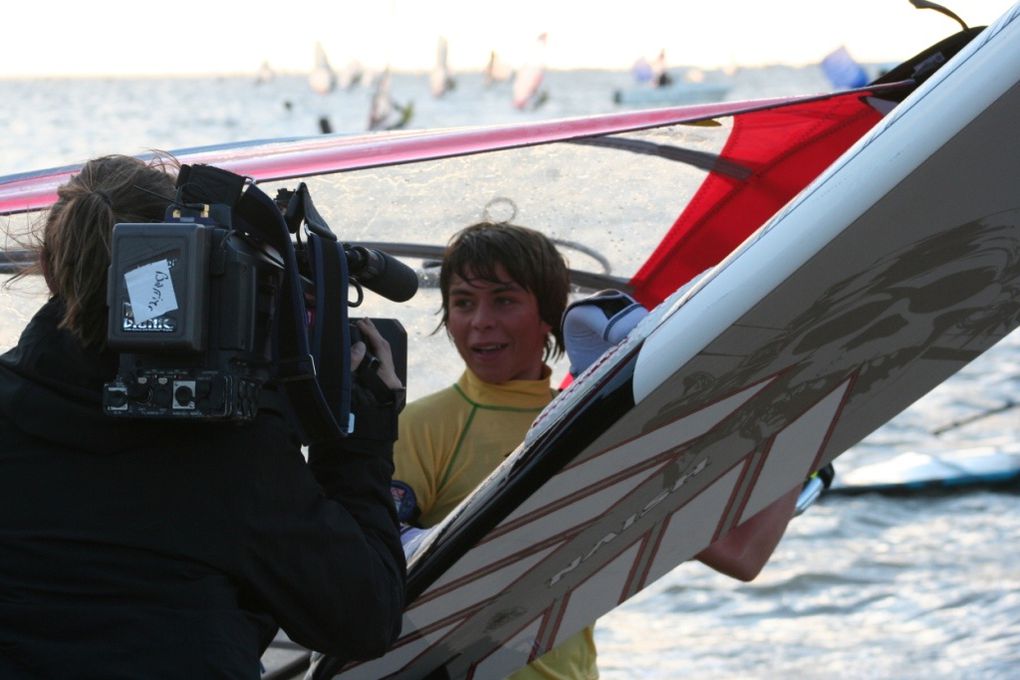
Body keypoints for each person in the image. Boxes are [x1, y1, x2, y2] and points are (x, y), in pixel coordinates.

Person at [0, 155, 405, 677]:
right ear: (200, 271)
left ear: (54, 269)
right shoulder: (228, 446)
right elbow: (364, 617)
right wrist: (354, 439)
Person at [393, 222, 800, 679]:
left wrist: (800, 431)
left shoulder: (595, 428)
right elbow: (374, 580)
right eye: (463, 303)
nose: (480, 321)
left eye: (504, 301)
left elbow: (738, 555)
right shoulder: (421, 427)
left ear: (547, 314)